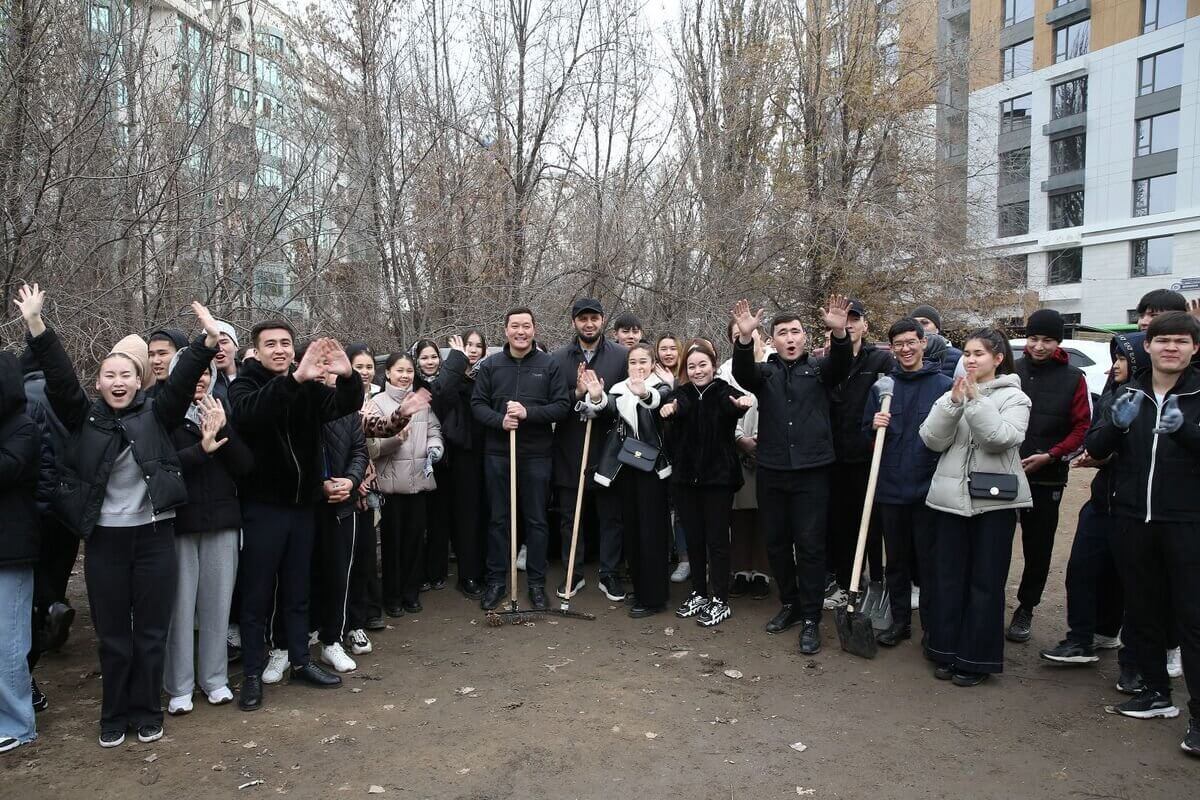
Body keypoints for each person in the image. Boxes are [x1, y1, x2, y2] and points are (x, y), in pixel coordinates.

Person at [17, 284, 220, 746]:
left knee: (150, 633)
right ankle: (113, 716)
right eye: (109, 374)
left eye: (127, 374)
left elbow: (184, 378)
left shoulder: (158, 415)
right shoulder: (83, 418)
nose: (118, 382)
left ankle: (147, 710)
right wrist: (35, 323)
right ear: (99, 382)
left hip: (153, 539)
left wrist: (207, 341)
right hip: (106, 542)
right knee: (113, 637)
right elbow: (59, 374)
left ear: (141, 380)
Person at [228, 323, 366, 712]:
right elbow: (251, 414)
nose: (279, 350)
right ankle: (253, 673)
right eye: (270, 344)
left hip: (303, 507)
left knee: (297, 588)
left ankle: (301, 662)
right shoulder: (245, 385)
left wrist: (349, 376)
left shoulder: (308, 387)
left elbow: (344, 406)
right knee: (257, 595)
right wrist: (295, 379)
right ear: (255, 351)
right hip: (263, 507)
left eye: (285, 343)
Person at [1085, 311, 1200, 755]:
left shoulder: (1198, 393)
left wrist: (1186, 432)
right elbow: (1094, 450)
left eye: (1181, 341)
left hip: (1188, 522)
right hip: (1133, 519)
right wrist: (1115, 423)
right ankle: (1155, 692)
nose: (1171, 347)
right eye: (1163, 340)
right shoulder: (1126, 391)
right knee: (1144, 609)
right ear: (1147, 346)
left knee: (1192, 619)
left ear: (1194, 349)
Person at [731, 296, 851, 655]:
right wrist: (744, 338)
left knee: (810, 546)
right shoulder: (764, 373)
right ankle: (791, 604)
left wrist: (840, 331)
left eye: (795, 332)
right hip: (772, 471)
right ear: (774, 340)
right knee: (778, 544)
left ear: (804, 337)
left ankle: (812, 617)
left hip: (812, 473)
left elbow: (842, 364)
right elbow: (741, 373)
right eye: (782, 333)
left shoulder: (819, 371)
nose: (790, 338)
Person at [919, 328, 1031, 687]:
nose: (970, 359)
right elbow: (932, 440)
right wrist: (951, 404)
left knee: (985, 582)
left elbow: (999, 438)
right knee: (948, 578)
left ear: (998, 359)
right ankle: (945, 649)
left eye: (979, 353)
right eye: (967, 353)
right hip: (949, 500)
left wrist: (976, 400)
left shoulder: (1015, 397)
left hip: (994, 503)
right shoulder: (952, 392)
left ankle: (975, 659)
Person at [1039, 333, 1144, 681]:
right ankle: (1081, 638)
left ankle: (1129, 655)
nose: (1115, 365)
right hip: (1103, 498)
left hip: (1138, 505)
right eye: (1114, 357)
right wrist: (1097, 454)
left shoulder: (1155, 400)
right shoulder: (1114, 394)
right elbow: (1096, 439)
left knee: (1131, 581)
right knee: (1082, 568)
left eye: (1123, 359)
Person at [163, 355, 253, 715]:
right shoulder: (163, 415)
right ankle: (179, 686)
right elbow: (163, 468)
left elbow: (246, 466)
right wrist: (201, 448)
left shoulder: (223, 408)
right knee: (180, 608)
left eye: (205, 373)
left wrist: (222, 431)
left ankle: (215, 679)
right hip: (179, 524)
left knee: (217, 606)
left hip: (222, 522)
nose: (199, 380)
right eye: (192, 374)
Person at [472, 307, 570, 612]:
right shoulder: (491, 366)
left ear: (534, 329)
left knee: (537, 520)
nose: (520, 332)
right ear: (506, 330)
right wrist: (499, 421)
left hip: (537, 454)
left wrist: (529, 413)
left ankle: (537, 584)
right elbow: (477, 404)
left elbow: (562, 405)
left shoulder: (548, 365)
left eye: (526, 326)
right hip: (498, 453)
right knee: (499, 518)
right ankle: (498, 582)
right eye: (515, 326)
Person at [863, 318, 952, 646]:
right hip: (890, 489)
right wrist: (874, 425)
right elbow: (865, 440)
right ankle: (900, 622)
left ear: (923, 343)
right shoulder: (882, 389)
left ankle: (933, 629)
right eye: (898, 344)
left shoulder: (942, 387)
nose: (905, 349)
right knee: (896, 563)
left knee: (929, 564)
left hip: (929, 490)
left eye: (911, 342)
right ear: (892, 348)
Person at [1005, 309, 1091, 644]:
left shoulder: (1074, 378)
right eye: (1034, 338)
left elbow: (1082, 426)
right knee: (995, 541)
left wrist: (1052, 455)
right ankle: (988, 600)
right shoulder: (1011, 370)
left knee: (1037, 548)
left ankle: (1026, 606)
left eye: (1047, 340)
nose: (1039, 346)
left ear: (1058, 341)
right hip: (1004, 474)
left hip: (1047, 478)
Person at [661, 341, 752, 626]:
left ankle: (720, 598)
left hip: (718, 479)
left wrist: (741, 406)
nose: (698, 370)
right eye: (692, 366)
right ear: (685, 370)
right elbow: (673, 409)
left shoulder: (724, 391)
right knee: (695, 539)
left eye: (703, 365)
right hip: (686, 479)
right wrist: (669, 411)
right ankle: (699, 592)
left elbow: (736, 405)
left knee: (717, 540)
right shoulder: (682, 394)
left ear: (713, 365)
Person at [580, 344, 672, 617]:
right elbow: (606, 408)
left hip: (654, 469)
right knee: (632, 529)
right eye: (633, 362)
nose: (638, 367)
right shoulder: (620, 389)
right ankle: (642, 589)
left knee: (652, 532)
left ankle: (655, 597)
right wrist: (596, 397)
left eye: (643, 361)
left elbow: (656, 401)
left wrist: (644, 392)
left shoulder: (662, 386)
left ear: (652, 363)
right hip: (627, 467)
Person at [550, 298, 628, 601]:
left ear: (603, 320)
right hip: (570, 449)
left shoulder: (621, 356)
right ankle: (573, 572)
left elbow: (625, 405)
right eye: (583, 319)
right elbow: (555, 404)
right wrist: (578, 393)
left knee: (611, 516)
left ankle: (609, 573)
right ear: (574, 323)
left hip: (607, 450)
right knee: (572, 517)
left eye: (594, 318)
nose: (589, 323)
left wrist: (601, 400)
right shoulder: (558, 359)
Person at [824, 300, 893, 607]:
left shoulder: (880, 362)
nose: (849, 324)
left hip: (867, 456)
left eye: (855, 319)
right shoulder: (825, 363)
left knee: (871, 522)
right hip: (831, 457)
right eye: (845, 320)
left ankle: (874, 581)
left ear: (865, 325)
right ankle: (842, 581)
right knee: (838, 523)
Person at [367, 353, 443, 617]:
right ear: (387, 373)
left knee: (415, 541)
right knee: (392, 544)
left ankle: (412, 594)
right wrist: (396, 440)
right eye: (399, 371)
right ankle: (392, 596)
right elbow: (373, 449)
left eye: (409, 371)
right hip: (390, 487)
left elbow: (434, 431)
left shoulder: (421, 403)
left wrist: (435, 448)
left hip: (418, 483)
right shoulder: (377, 403)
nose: (405, 376)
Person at [314, 364, 370, 673]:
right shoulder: (295, 407)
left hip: (342, 503)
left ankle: (332, 640)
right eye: (316, 372)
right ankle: (287, 645)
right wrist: (319, 488)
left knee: (339, 576)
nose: (323, 378)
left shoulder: (347, 411)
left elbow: (360, 451)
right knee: (300, 578)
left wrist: (349, 480)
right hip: (306, 506)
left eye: (327, 373)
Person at [0, 351, 40, 754]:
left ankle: (17, 724)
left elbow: (8, 469)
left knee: (8, 642)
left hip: (10, 550)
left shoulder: (22, 427)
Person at [716, 322, 772, 599]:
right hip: (737, 447)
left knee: (766, 512)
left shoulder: (775, 362)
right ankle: (740, 571)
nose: (745, 338)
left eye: (750, 334)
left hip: (772, 448)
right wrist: (741, 439)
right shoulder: (725, 371)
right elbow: (723, 407)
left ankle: (762, 572)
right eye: (738, 336)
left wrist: (763, 439)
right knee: (740, 514)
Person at [437, 331, 489, 599]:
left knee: (487, 514)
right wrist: (455, 360)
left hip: (489, 452)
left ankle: (487, 570)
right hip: (462, 455)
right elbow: (441, 393)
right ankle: (468, 574)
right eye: (469, 345)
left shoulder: (487, 374)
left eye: (478, 346)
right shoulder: (453, 374)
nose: (473, 350)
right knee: (467, 516)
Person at [345, 345, 385, 635]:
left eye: (369, 366)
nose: (365, 372)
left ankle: (368, 612)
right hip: (345, 485)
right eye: (358, 366)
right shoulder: (339, 399)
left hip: (370, 484)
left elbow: (379, 437)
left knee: (368, 554)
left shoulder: (377, 398)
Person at [413, 339, 452, 591]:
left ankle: (438, 571)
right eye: (425, 358)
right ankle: (418, 573)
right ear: (416, 360)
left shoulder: (447, 383)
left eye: (434, 357)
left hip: (444, 460)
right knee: (419, 520)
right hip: (415, 460)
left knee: (440, 518)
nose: (430, 362)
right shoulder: (410, 384)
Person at [654, 334, 691, 584]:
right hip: (656, 450)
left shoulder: (687, 375)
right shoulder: (650, 374)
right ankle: (663, 555)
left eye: (672, 348)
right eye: (663, 349)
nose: (668, 353)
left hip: (681, 450)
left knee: (681, 509)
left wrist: (673, 384)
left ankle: (685, 559)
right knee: (660, 507)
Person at [910, 304, 961, 378]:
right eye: (914, 323)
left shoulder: (957, 357)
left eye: (924, 323)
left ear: (937, 329)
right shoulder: (903, 354)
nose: (919, 327)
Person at [146, 329, 189, 394]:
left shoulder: (200, 391)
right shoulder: (146, 399)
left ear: (180, 354)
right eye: (151, 355)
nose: (155, 361)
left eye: (162, 354)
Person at [210, 321, 240, 402]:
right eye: (213, 344)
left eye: (224, 342)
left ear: (236, 346)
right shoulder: (203, 383)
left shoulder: (253, 375)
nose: (219, 349)